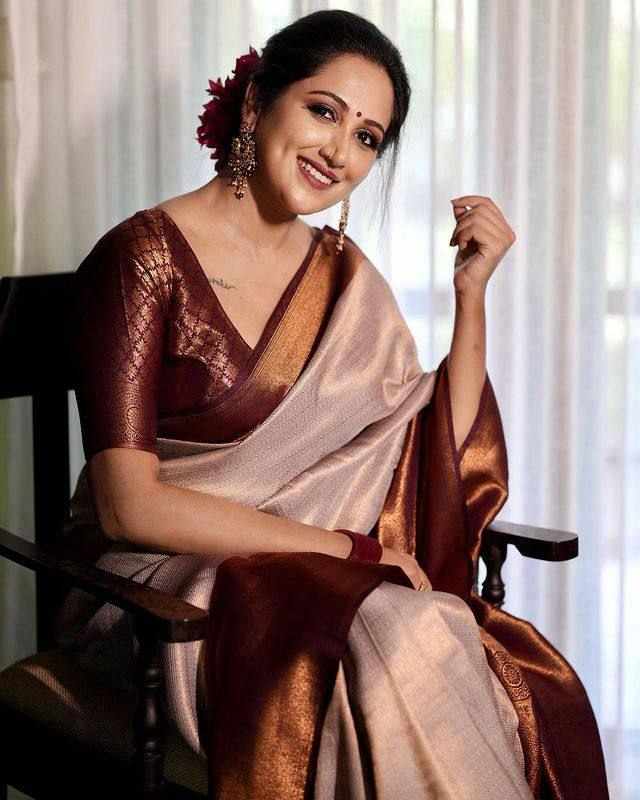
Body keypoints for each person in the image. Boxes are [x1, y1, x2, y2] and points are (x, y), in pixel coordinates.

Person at [59, 9, 608, 799]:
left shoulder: (343, 276)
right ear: (256, 103)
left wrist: (471, 296)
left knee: (428, 630)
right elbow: (128, 508)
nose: (339, 152)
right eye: (324, 111)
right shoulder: (143, 260)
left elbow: (431, 451)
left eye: (367, 137)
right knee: (398, 630)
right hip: (163, 597)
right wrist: (343, 551)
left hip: (312, 579)